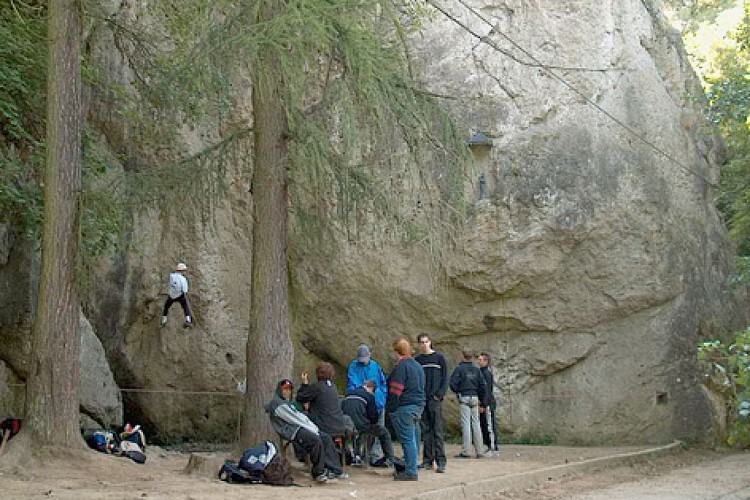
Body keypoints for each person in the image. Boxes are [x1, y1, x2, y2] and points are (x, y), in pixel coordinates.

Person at [266, 378, 347, 483]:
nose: (287, 392)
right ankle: (318, 472)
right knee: (315, 439)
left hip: (302, 427)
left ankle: (335, 469)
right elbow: (295, 419)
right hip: (292, 430)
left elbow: (300, 413)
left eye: (289, 389)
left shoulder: (287, 403)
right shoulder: (277, 404)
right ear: (279, 390)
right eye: (285, 389)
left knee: (326, 437)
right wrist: (312, 428)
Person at [386, 338, 425, 481]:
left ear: (397, 351)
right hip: (418, 406)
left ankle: (411, 471)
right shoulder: (418, 366)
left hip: (404, 407)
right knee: (414, 439)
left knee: (408, 440)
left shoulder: (401, 367)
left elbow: (396, 390)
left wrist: (391, 408)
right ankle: (412, 467)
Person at [346, 344, 388, 465]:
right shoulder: (353, 367)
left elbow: (382, 383)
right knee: (359, 431)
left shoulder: (375, 366)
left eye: (365, 359)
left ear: (369, 356)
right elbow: (352, 385)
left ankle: (373, 456)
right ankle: (358, 455)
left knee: (378, 429)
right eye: (361, 359)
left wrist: (382, 397)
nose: (363, 362)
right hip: (362, 405)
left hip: (378, 403)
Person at [414, 332, 449, 473]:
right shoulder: (418, 360)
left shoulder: (439, 358)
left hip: (435, 399)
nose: (424, 344)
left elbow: (445, 377)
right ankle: (427, 460)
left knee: (437, 431)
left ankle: (441, 461)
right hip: (423, 399)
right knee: (426, 431)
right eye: (422, 342)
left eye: (426, 342)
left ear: (430, 342)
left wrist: (440, 394)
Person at [341, 379, 395, 467]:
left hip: (346, 426)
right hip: (361, 427)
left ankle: (355, 456)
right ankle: (390, 459)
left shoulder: (348, 394)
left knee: (356, 433)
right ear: (372, 388)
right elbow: (373, 416)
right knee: (383, 432)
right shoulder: (369, 396)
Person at [296, 362, 351, 437]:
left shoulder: (318, 387)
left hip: (324, 427)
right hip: (339, 426)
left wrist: (305, 384)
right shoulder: (333, 387)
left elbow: (300, 397)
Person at [450, 350, 487, 458]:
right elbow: (482, 386)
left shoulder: (459, 369)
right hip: (475, 397)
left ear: (462, 356)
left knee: (466, 424)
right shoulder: (476, 370)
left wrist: (458, 391)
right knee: (476, 424)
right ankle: (480, 451)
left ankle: (466, 451)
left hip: (464, 396)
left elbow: (453, 384)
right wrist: (482, 400)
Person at [478, 352, 500, 457]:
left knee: (490, 426)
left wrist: (484, 404)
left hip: (488, 404)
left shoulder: (486, 373)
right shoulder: (481, 372)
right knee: (484, 425)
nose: (479, 361)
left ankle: (494, 448)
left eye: (481, 359)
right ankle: (487, 446)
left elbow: (487, 390)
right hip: (483, 403)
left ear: (486, 361)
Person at [161, 262, 193, 328]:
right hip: (180, 295)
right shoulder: (183, 279)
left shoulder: (171, 276)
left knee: (166, 306)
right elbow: (185, 290)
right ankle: (188, 320)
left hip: (172, 295)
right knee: (185, 306)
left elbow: (170, 284)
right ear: (183, 271)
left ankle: (164, 320)